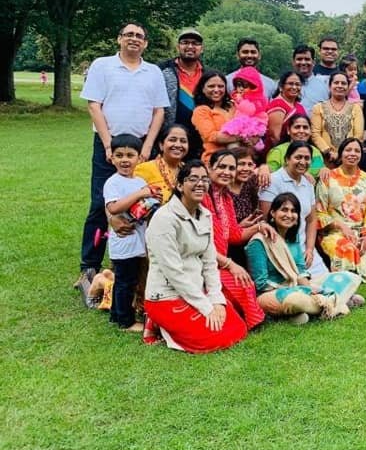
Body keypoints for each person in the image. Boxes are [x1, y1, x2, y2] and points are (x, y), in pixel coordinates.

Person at [79, 22, 168, 277]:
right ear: (119, 39)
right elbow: (94, 105)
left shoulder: (153, 72)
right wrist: (109, 144)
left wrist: (148, 147)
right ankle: (90, 264)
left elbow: (159, 111)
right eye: (128, 34)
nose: (134, 39)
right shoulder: (102, 65)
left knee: (144, 203)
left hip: (142, 145)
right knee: (100, 203)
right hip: (108, 142)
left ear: (145, 43)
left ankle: (136, 262)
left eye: (139, 36)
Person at [143, 160, 247, 353]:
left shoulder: (205, 215)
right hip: (166, 294)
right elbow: (174, 273)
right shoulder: (164, 219)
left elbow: (209, 263)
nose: (200, 184)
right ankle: (156, 322)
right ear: (179, 185)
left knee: (238, 329)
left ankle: (167, 323)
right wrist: (207, 308)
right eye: (193, 179)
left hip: (196, 291)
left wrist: (216, 301)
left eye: (204, 179)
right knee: (213, 340)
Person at [246, 194, 351, 324]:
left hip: (295, 286)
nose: (289, 215)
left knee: (344, 277)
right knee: (295, 300)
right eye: (284, 210)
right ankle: (335, 303)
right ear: (273, 213)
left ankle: (302, 312)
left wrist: (309, 289)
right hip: (270, 294)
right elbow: (261, 284)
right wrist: (298, 290)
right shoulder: (259, 242)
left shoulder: (292, 238)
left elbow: (300, 271)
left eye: (293, 211)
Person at [203, 149, 268, 329]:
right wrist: (230, 264)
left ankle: (248, 320)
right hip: (201, 263)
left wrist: (259, 227)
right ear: (209, 168)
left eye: (231, 168)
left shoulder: (226, 197)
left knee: (245, 283)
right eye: (222, 167)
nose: (227, 172)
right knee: (240, 283)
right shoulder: (202, 196)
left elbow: (234, 235)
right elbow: (199, 245)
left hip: (218, 262)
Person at [102, 134, 155, 332]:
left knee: (126, 281)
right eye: (119, 155)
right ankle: (126, 322)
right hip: (123, 241)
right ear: (112, 158)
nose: (125, 160)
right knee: (126, 282)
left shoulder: (139, 181)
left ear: (139, 158)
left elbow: (144, 205)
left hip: (137, 240)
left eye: (130, 155)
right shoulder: (113, 183)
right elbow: (114, 208)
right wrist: (141, 193)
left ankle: (116, 315)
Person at [315, 137, 366, 283]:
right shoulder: (327, 177)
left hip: (359, 232)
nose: (352, 154)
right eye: (348, 150)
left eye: (357, 151)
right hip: (333, 231)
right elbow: (320, 212)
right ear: (341, 154)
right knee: (346, 249)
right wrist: (341, 226)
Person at [259, 141, 320, 274]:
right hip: (279, 247)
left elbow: (311, 220)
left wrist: (310, 249)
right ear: (287, 159)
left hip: (304, 249)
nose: (302, 162)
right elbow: (266, 219)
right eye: (298, 157)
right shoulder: (272, 181)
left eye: (307, 158)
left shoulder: (308, 184)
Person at [159, 28, 205, 159]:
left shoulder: (208, 75)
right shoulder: (161, 70)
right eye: (185, 42)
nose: (190, 46)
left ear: (202, 48)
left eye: (195, 43)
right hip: (169, 139)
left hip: (200, 141)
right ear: (178, 46)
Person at [310, 71, 364, 164]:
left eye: (343, 83)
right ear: (329, 86)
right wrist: (328, 151)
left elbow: (358, 135)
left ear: (348, 87)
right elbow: (315, 134)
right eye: (336, 83)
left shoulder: (356, 108)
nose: (340, 86)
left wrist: (343, 153)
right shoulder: (318, 108)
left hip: (349, 158)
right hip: (323, 158)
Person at [134, 123, 189, 204]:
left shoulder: (189, 171)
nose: (178, 145)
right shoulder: (143, 169)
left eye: (183, 141)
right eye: (172, 140)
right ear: (161, 145)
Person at [191, 71, 237, 163]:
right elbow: (212, 136)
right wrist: (241, 137)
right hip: (215, 160)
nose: (216, 90)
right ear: (203, 89)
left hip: (238, 159)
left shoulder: (232, 106)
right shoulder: (201, 111)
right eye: (211, 86)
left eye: (220, 86)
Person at [265, 71, 307, 149]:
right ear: (281, 86)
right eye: (290, 84)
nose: (294, 87)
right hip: (279, 151)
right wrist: (282, 153)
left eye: (297, 84)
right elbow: (274, 137)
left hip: (298, 149)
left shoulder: (299, 106)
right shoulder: (278, 105)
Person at [292, 44, 329, 112]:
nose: (303, 62)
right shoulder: (283, 85)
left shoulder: (325, 86)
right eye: (299, 59)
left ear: (313, 62)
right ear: (293, 62)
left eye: (307, 59)